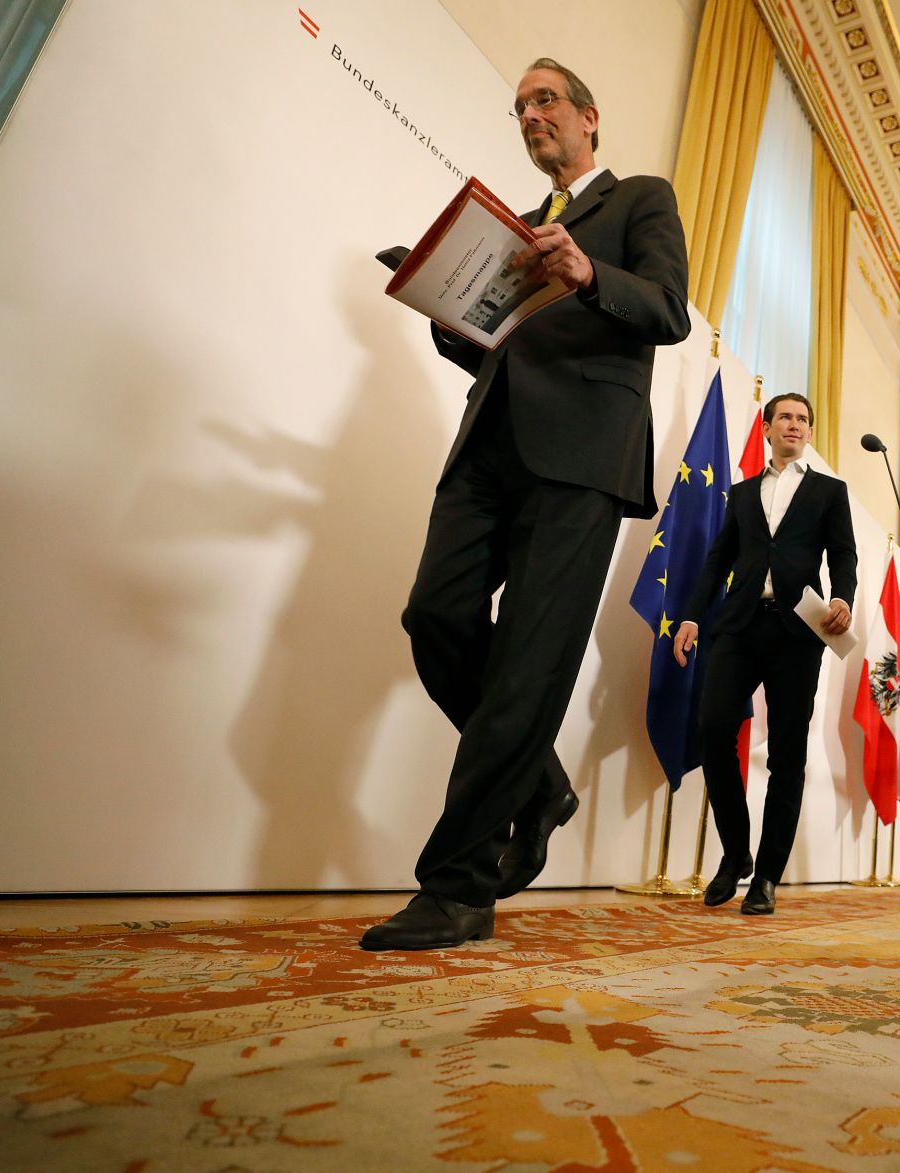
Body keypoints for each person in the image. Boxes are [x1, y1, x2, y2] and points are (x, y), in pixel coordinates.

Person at [361, 60, 690, 950]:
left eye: (544, 101)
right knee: (434, 617)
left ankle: (459, 886)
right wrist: (449, 312)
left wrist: (588, 272)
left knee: (527, 664)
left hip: (582, 456)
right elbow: (500, 349)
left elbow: (668, 311)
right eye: (518, 108)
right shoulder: (514, 225)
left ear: (589, 116)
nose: (529, 116)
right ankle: (539, 782)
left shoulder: (639, 199)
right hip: (488, 446)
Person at [672, 393, 856, 916]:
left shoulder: (829, 492)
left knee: (787, 756)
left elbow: (844, 552)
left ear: (810, 432)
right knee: (712, 729)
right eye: (786, 418)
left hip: (799, 632)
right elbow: (717, 561)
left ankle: (768, 875)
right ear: (768, 427)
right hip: (739, 626)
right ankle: (735, 854)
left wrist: (842, 596)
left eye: (803, 418)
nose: (795, 425)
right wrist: (690, 615)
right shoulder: (743, 493)